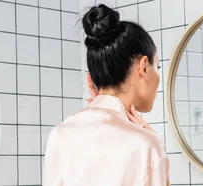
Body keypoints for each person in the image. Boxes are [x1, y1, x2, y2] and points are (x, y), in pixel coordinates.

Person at [42, 4, 169, 186]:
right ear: (143, 67)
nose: (158, 77)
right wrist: (155, 144)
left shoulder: (59, 134)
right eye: (157, 66)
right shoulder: (145, 145)